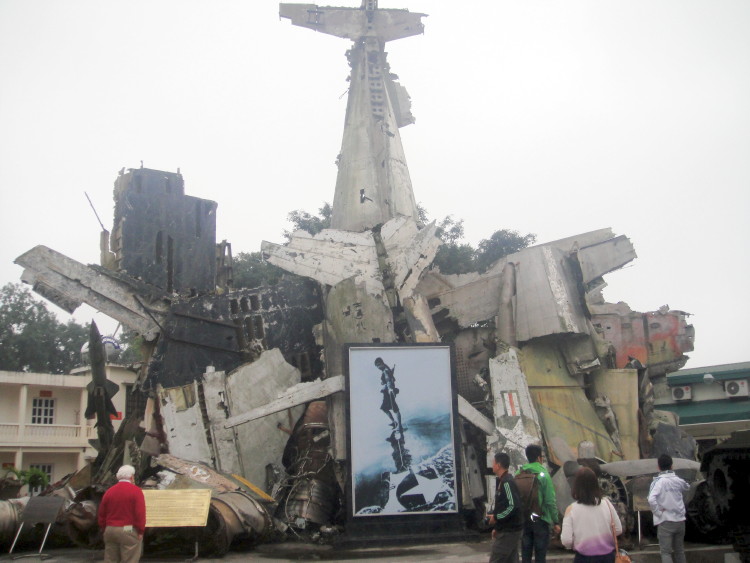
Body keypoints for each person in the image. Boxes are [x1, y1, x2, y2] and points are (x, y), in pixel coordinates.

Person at [561, 467, 622, 563]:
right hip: (608, 557)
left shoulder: (571, 509)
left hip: (583, 558)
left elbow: (566, 540)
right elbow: (618, 529)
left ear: (576, 486)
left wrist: (577, 543)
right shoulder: (607, 503)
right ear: (596, 484)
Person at [517, 444, 561, 563]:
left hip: (525, 518)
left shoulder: (519, 473)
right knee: (540, 554)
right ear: (538, 458)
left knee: (525, 552)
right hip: (540, 519)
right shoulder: (543, 475)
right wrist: (555, 521)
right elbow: (550, 501)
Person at [97, 465, 146, 563]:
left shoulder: (109, 492)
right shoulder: (136, 491)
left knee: (110, 559)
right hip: (127, 528)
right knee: (129, 558)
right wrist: (140, 531)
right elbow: (140, 513)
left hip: (110, 529)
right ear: (132, 477)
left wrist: (104, 528)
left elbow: (101, 513)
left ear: (117, 477)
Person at [647, 454, 689, 563]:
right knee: (680, 551)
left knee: (666, 552)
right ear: (672, 466)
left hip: (665, 521)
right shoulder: (678, 480)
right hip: (680, 521)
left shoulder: (658, 481)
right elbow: (687, 487)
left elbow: (651, 499)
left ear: (658, 467)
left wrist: (657, 513)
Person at [488, 451, 523, 563]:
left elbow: (512, 505)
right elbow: (503, 505)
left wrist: (497, 518)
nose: (492, 465)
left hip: (509, 530)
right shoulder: (503, 481)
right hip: (506, 528)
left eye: (493, 463)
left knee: (496, 558)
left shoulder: (507, 482)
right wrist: (497, 527)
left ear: (498, 465)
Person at [375, 357, 402, 431]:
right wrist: (384, 385)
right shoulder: (386, 370)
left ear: (381, 363)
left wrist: (390, 390)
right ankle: (394, 422)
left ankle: (399, 426)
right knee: (384, 408)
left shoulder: (385, 371)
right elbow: (388, 380)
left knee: (395, 409)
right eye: (377, 366)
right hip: (387, 391)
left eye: (378, 365)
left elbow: (389, 381)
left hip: (389, 391)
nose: (378, 367)